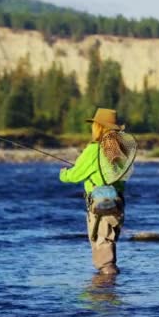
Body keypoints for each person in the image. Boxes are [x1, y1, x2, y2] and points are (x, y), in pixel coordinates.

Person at [59, 108, 128, 275]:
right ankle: (110, 289)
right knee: (109, 240)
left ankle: (104, 292)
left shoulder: (93, 150)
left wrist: (63, 173)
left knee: (101, 245)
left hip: (100, 202)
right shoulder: (117, 150)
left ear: (98, 127)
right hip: (118, 202)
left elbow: (75, 175)